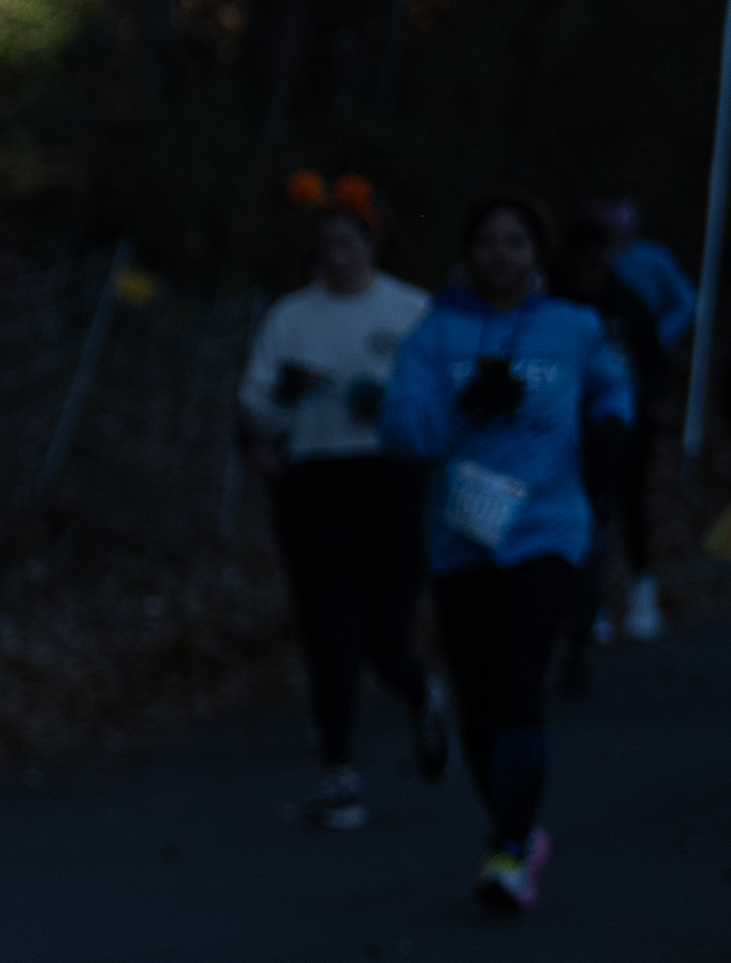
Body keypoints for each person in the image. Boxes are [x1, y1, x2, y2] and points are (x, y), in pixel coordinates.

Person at [382, 192, 632, 915]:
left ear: (536, 253)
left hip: (545, 529)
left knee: (523, 680)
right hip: (462, 535)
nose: (501, 255)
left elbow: (613, 386)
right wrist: (463, 407)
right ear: (467, 253)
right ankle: (512, 827)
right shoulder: (434, 334)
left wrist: (610, 430)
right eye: (488, 242)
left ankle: (513, 846)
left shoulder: (573, 326)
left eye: (516, 242)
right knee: (480, 695)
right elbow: (400, 431)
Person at [239, 173, 444, 829]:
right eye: (327, 245)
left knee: (384, 635)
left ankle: (421, 694)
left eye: (350, 243)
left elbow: (444, 397)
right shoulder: (290, 316)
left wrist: (394, 408)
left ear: (373, 244)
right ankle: (339, 773)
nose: (338, 256)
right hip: (312, 482)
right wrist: (285, 400)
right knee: (328, 629)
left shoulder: (411, 311)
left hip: (388, 478)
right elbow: (255, 404)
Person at [551, 214, 666, 680]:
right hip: (565, 429)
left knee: (626, 505)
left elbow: (653, 362)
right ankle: (586, 611)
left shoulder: (627, 303)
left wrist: (646, 406)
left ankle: (641, 592)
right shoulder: (555, 304)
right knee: (580, 517)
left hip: (623, 428)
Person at [580, 196, 692, 640]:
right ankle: (595, 604)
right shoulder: (578, 291)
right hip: (585, 409)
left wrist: (657, 342)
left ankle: (642, 593)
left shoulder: (648, 270)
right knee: (592, 504)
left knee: (630, 498)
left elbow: (687, 302)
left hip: (633, 404)